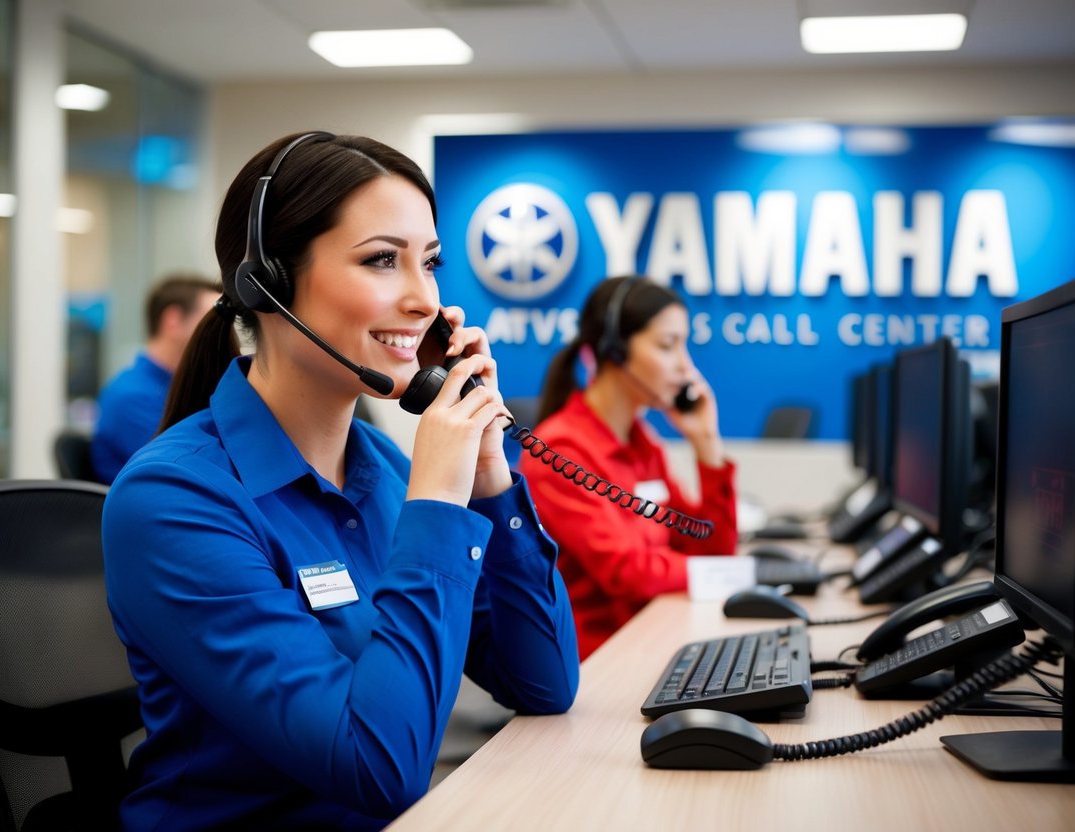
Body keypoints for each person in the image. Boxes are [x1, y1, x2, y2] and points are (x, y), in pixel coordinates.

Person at [101, 131, 579, 831]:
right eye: (382, 260)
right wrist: (439, 506)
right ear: (265, 282)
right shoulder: (172, 501)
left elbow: (543, 682)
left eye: (431, 263)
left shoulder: (389, 474)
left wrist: (487, 478)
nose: (424, 300)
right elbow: (376, 767)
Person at [522, 275, 739, 660]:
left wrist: (706, 444)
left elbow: (712, 545)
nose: (686, 368)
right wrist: (714, 574)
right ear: (616, 350)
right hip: (599, 662)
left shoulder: (643, 445)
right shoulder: (560, 449)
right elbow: (627, 571)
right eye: (667, 346)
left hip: (652, 638)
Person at [89, 274, 218, 483]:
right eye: (210, 321)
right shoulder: (131, 397)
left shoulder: (169, 388)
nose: (222, 332)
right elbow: (189, 470)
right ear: (173, 321)